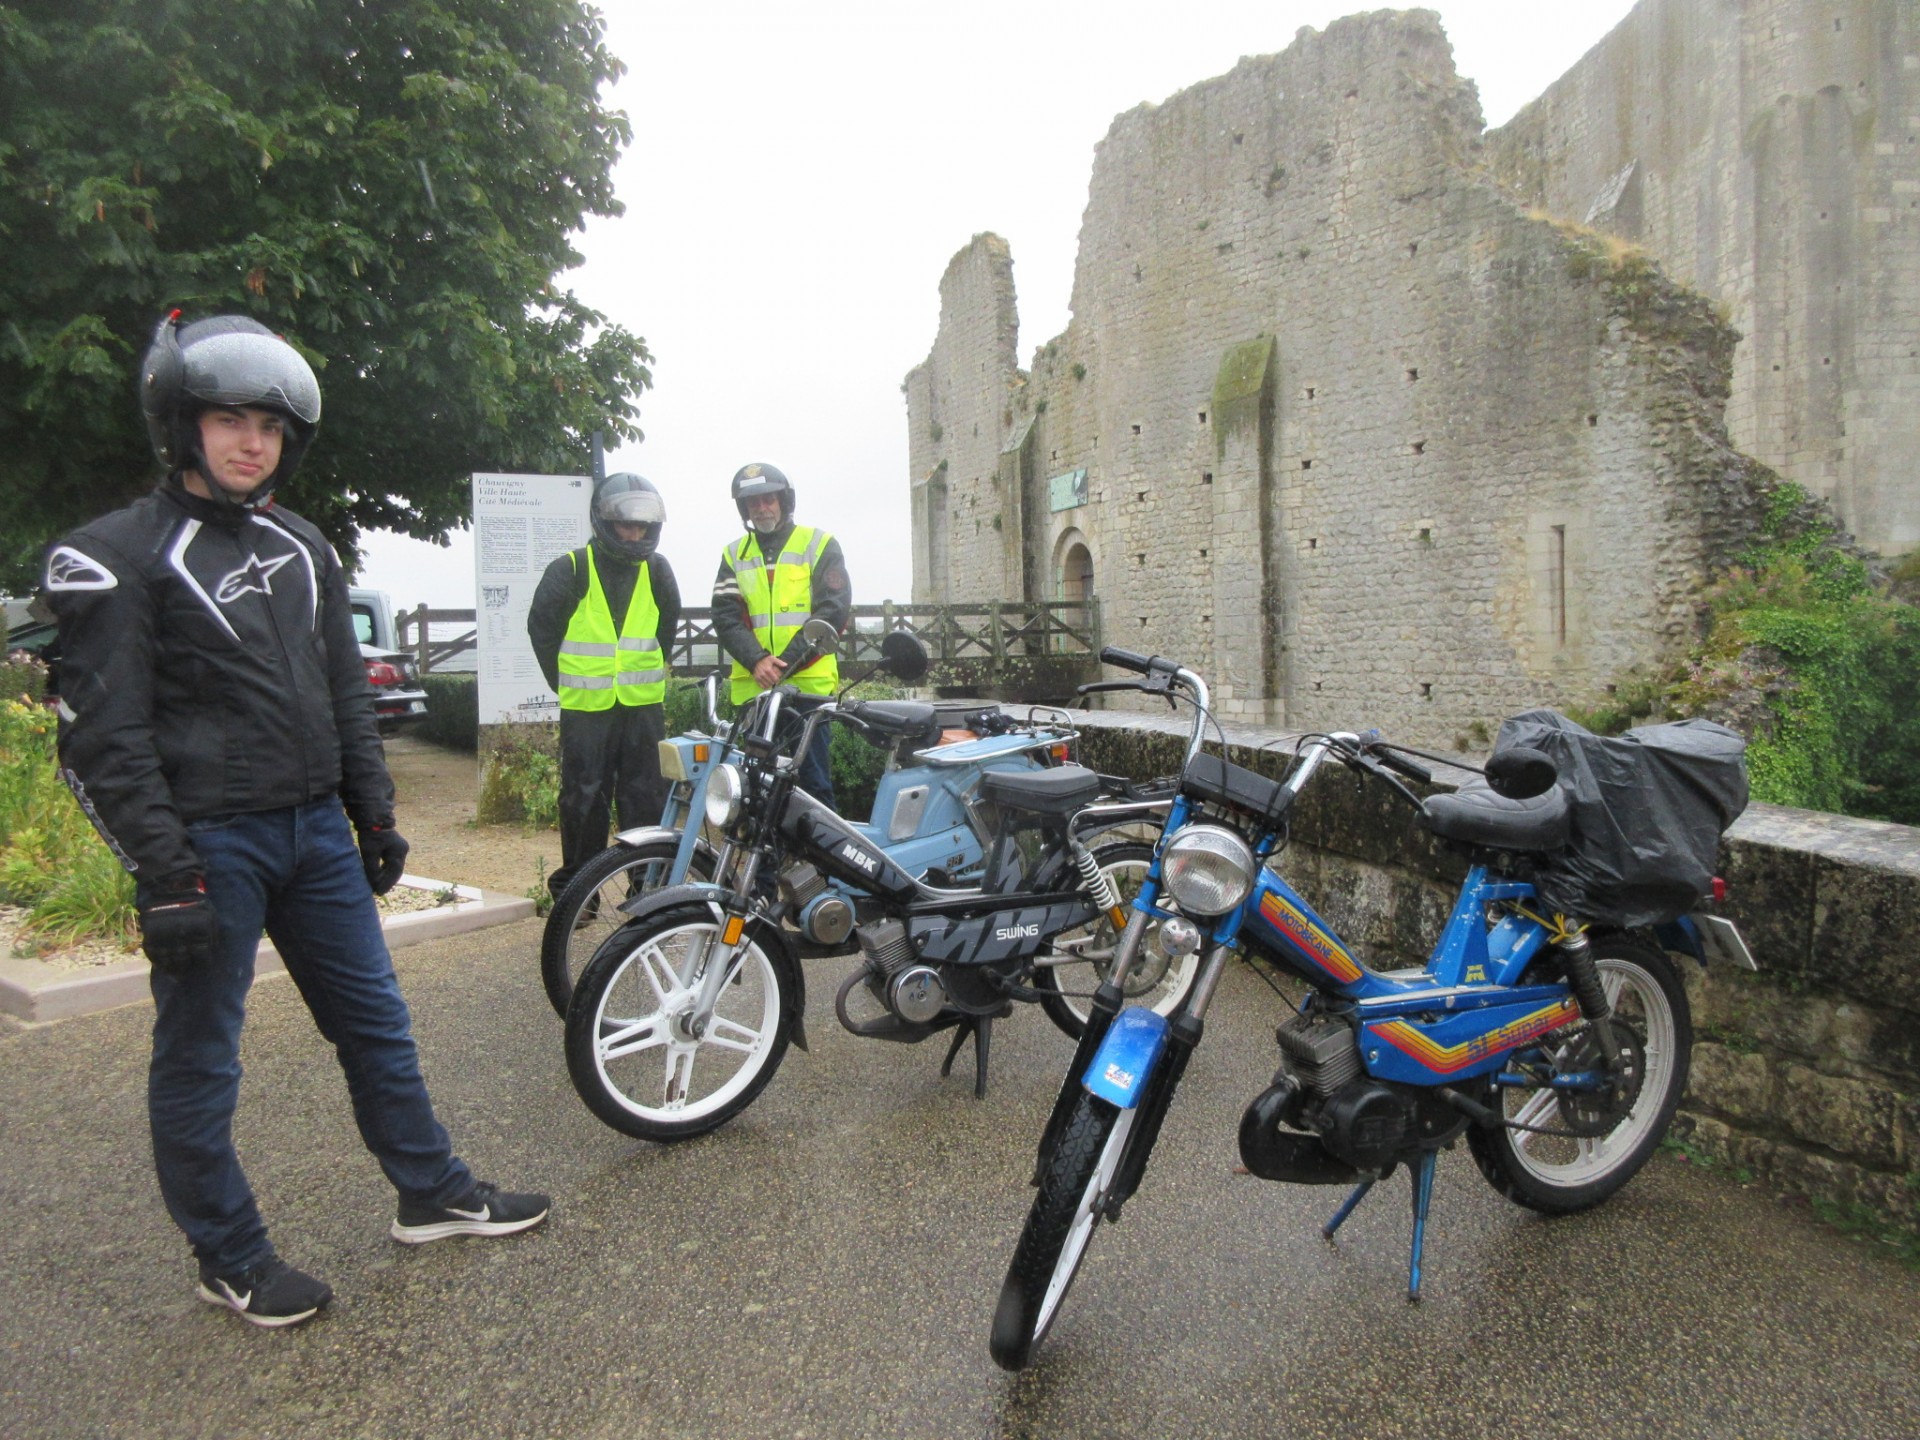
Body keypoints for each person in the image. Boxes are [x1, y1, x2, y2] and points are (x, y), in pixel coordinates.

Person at [44, 312, 549, 1331]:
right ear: (181, 425)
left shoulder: (303, 546)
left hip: (315, 832)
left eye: (271, 427)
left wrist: (373, 813)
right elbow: (102, 739)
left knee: (377, 1026)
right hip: (208, 846)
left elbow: (343, 693)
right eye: (230, 420)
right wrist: (166, 875)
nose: (252, 443)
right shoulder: (111, 556)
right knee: (202, 1058)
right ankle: (228, 1256)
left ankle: (431, 1193)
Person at [525, 471, 680, 899]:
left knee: (646, 796)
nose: (634, 534)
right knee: (583, 798)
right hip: (586, 708)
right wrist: (566, 682)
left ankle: (646, 889)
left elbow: (666, 631)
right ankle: (579, 894)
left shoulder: (658, 571)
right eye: (625, 525)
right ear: (604, 522)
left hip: (642, 705)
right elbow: (542, 631)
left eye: (642, 526)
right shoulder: (570, 569)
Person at [711, 463, 851, 807]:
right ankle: (767, 847)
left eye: (768, 500)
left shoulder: (819, 544)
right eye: (753, 502)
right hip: (756, 690)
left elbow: (832, 610)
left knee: (813, 786)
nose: (761, 508)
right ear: (744, 509)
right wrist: (757, 660)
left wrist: (783, 664)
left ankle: (819, 846)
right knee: (755, 789)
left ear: (784, 501)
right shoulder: (733, 554)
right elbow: (725, 616)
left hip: (808, 691)